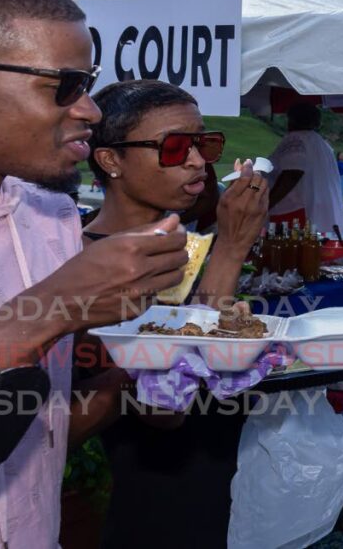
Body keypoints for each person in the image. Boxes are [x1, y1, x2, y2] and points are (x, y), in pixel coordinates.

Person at [0, 0, 188, 545]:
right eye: (65, 85)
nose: (90, 112)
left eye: (88, 86)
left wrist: (152, 368)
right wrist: (51, 309)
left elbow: (40, 430)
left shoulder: (53, 217)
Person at [80, 78, 269, 548]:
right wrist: (231, 250)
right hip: (145, 496)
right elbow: (163, 407)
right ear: (111, 160)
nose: (197, 161)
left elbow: (213, 359)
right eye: (174, 147)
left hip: (219, 476)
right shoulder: (82, 262)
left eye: (205, 143)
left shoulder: (187, 245)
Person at [268, 103, 343, 232]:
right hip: (321, 213)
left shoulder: (296, 140)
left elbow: (292, 173)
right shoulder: (322, 144)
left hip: (295, 211)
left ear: (291, 119)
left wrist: (267, 202)